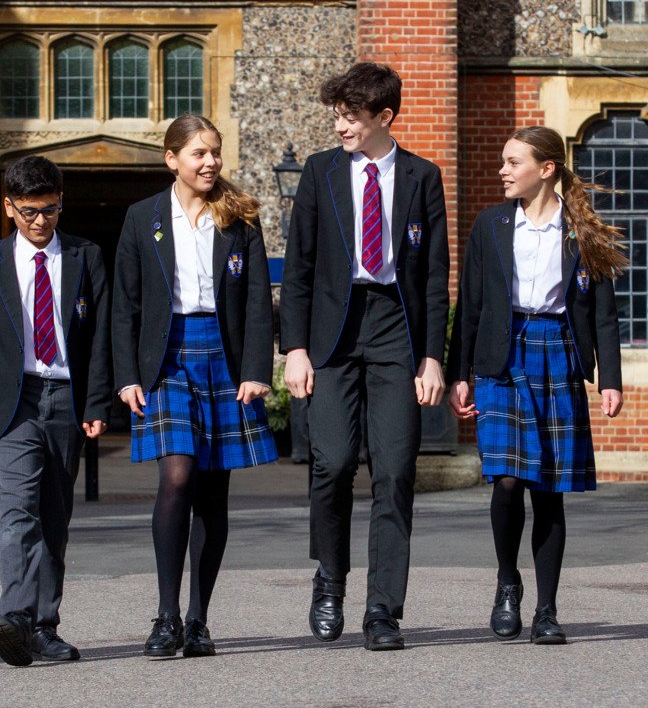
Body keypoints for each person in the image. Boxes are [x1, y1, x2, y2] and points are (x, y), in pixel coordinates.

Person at [279, 62, 450, 651]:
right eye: (337, 115)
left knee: (396, 471)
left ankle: (383, 609)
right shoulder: (320, 172)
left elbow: (434, 278)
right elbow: (298, 267)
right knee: (330, 463)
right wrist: (293, 348)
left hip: (394, 331)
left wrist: (432, 358)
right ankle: (329, 580)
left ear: (384, 117)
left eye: (351, 117)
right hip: (331, 329)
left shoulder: (424, 177)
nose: (341, 126)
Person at [447, 126, 626, 645]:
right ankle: (508, 583)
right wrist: (461, 374)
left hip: (558, 355)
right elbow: (472, 306)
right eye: (503, 161)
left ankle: (548, 610)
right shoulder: (490, 225)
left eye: (512, 162)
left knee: (549, 490)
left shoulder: (581, 230)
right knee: (505, 481)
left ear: (546, 169)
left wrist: (608, 379)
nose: (502, 170)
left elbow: (605, 314)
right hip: (502, 357)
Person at [112, 114, 277, 659]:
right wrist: (127, 375)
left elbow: (257, 301)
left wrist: (257, 368)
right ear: (171, 159)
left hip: (225, 358)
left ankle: (198, 618)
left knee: (212, 488)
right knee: (177, 476)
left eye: (215, 153)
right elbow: (125, 305)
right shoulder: (142, 218)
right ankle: (165, 616)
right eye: (198, 154)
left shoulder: (240, 218)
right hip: (167, 358)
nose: (210, 163)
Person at [0, 155, 111, 666]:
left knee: (54, 517)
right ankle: (15, 617)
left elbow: (102, 339)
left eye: (50, 209)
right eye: (29, 211)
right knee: (17, 509)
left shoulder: (87, 257)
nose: (41, 221)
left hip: (66, 398)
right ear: (9, 207)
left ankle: (44, 626)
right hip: (13, 401)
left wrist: (97, 402)